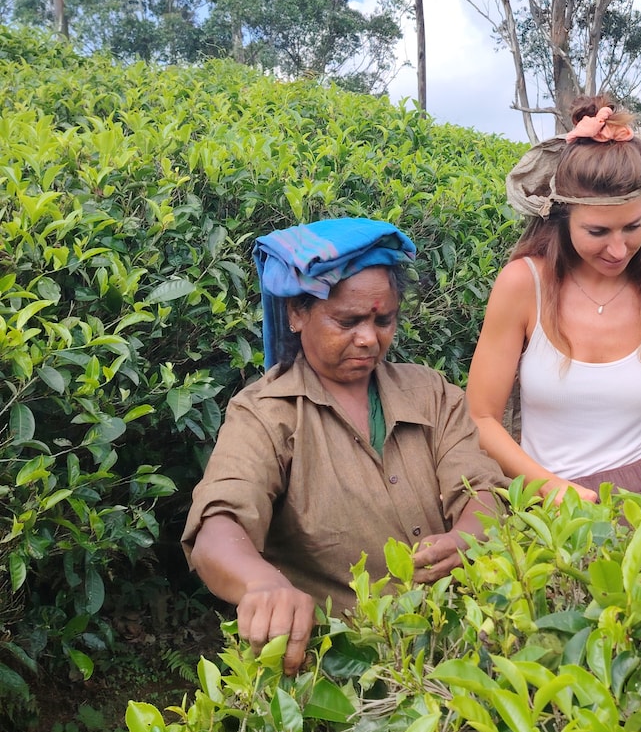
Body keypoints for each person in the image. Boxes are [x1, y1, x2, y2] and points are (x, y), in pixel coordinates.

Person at [182, 218, 505, 673]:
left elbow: (481, 488)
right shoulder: (266, 413)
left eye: (383, 319)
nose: (369, 338)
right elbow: (219, 526)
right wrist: (260, 584)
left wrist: (466, 536)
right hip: (345, 669)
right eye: (347, 321)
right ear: (297, 314)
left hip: (460, 646)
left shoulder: (430, 393)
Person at [466, 95, 641, 501]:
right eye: (597, 233)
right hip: (550, 505)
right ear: (562, 220)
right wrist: (549, 488)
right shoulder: (523, 285)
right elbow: (481, 417)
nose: (619, 250)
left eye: (632, 227)